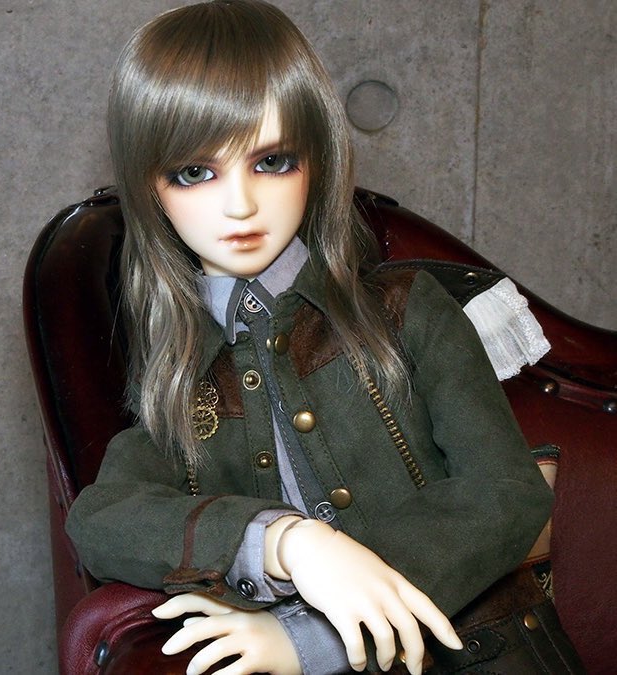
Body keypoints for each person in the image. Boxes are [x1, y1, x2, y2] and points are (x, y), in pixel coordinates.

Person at [65, 2, 560, 673]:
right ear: (150, 188)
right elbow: (100, 519)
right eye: (194, 172)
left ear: (316, 159)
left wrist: (308, 637)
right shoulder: (181, 372)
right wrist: (285, 542)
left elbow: (507, 491)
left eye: (272, 161)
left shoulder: (405, 310)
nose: (240, 205)